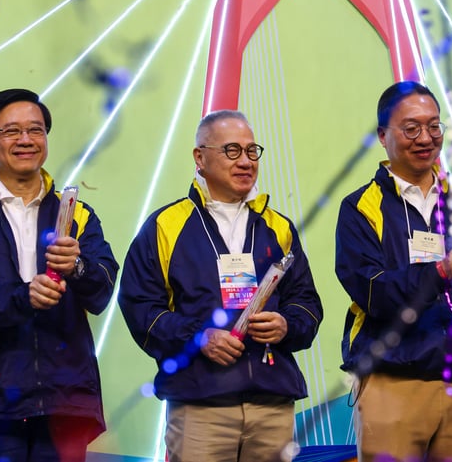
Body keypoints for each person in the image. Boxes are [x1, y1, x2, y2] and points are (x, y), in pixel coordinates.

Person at [119, 109, 323, 462]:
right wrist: (199, 338)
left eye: (251, 151)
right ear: (200, 157)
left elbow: (305, 302)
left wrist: (286, 325)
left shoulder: (279, 227)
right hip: (200, 404)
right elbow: (141, 310)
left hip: (272, 404)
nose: (245, 161)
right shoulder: (165, 225)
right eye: (231, 151)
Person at [335, 81, 452, 462]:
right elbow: (374, 294)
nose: (426, 138)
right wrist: (441, 270)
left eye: (434, 126)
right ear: (383, 136)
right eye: (411, 128)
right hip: (393, 383)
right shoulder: (359, 208)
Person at [0, 88, 119, 462]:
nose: (25, 140)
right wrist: (26, 295)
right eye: (11, 131)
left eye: (36, 130)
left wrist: (77, 267)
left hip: (64, 400)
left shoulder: (77, 214)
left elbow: (101, 291)